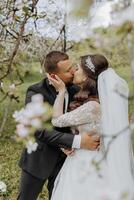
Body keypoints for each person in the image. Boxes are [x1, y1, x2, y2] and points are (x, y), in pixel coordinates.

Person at [48, 54, 134, 200]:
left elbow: (56, 120)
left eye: (78, 68)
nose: (74, 71)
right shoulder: (99, 102)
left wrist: (60, 92)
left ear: (87, 77)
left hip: (85, 163)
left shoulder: (92, 107)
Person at [17, 51, 100, 200]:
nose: (74, 71)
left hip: (65, 160)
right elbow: (39, 131)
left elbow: (77, 120)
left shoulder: (76, 90)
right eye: (68, 71)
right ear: (54, 76)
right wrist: (78, 141)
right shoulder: (36, 92)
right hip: (39, 159)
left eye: (73, 66)